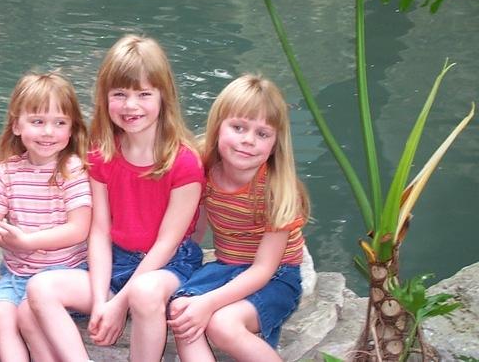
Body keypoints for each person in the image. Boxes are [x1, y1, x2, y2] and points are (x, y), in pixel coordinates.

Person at [25, 34, 204, 362]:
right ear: (104, 97)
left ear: (164, 97)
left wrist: (119, 305)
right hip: (116, 261)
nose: (130, 105)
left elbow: (167, 243)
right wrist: (99, 302)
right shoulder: (102, 154)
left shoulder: (184, 163)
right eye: (119, 94)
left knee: (145, 294)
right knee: (39, 289)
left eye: (143, 94)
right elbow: (99, 231)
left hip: (168, 264)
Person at [167, 74, 310, 362]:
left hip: (276, 275)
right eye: (238, 127)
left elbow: (262, 269)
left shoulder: (278, 188)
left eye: (262, 134)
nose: (248, 141)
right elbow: (195, 223)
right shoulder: (202, 164)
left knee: (222, 323)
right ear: (218, 125)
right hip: (227, 266)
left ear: (275, 142)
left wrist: (208, 302)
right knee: (183, 310)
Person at [0, 72, 92, 362]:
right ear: (17, 125)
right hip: (16, 273)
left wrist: (28, 242)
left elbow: (79, 229)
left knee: (28, 313)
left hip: (65, 273)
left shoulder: (73, 169)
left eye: (59, 123)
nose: (48, 133)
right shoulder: (8, 171)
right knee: (2, 315)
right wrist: (3, 236)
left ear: (71, 129)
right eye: (38, 121)